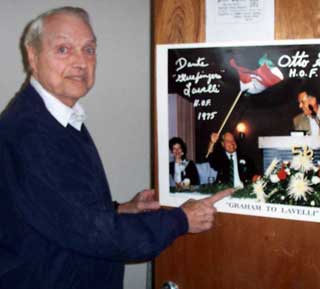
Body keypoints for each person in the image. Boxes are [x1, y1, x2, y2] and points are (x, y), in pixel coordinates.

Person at [0, 7, 233, 289]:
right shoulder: (29, 134)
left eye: (89, 49)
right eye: (63, 49)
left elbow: (60, 206)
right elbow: (95, 234)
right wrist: (181, 220)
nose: (80, 62)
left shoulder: (57, 117)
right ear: (32, 56)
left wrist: (121, 209)